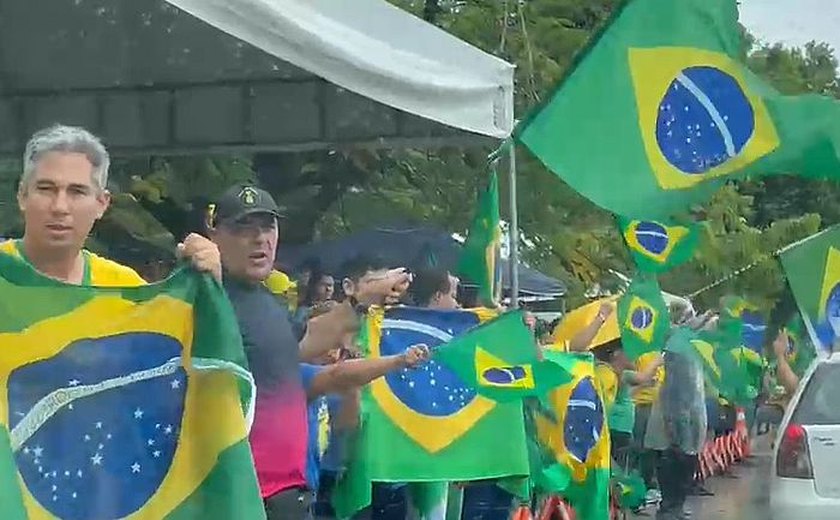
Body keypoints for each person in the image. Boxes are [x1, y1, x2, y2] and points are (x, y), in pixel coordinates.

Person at [206, 184, 415, 520]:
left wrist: (362, 301)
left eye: (267, 226)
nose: (260, 238)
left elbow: (306, 341)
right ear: (216, 236)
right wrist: (194, 257)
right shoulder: (208, 300)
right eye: (243, 228)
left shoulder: (263, 301)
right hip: (242, 497)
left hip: (286, 493)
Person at [1, 124, 219, 286]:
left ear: (101, 204)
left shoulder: (125, 291)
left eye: (77, 191)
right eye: (46, 189)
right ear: (22, 195)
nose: (59, 206)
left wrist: (210, 287)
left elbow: (189, 343)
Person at [593, 341, 663, 469]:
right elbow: (643, 377)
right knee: (620, 469)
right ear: (616, 354)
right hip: (618, 430)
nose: (633, 357)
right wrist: (657, 361)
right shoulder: (610, 374)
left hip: (615, 429)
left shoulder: (617, 374)